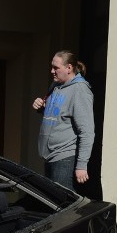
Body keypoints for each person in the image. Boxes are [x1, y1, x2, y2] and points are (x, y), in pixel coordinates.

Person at [32, 50, 94, 189]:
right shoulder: (55, 86)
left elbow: (87, 131)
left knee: (62, 206)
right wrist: (41, 106)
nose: (52, 71)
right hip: (49, 156)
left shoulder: (80, 90)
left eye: (56, 68)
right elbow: (57, 114)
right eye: (52, 67)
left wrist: (82, 165)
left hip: (65, 158)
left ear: (69, 68)